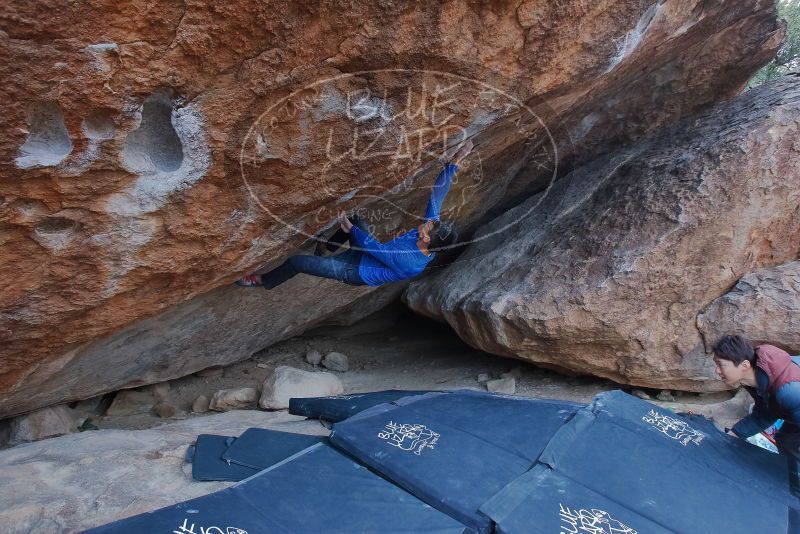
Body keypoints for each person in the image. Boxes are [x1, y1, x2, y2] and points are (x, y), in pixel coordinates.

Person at [236, 140, 473, 289]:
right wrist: (455, 162)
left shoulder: (411, 263)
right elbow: (437, 195)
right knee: (357, 220)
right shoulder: (430, 234)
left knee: (298, 262)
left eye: (429, 228)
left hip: (355, 271)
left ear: (428, 240)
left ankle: (263, 281)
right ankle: (327, 248)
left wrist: (353, 232)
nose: (428, 223)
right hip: (368, 254)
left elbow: (375, 250)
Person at [711, 334, 800, 493]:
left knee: (791, 442)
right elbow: (765, 414)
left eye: (721, 365)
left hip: (796, 401)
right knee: (786, 440)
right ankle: (792, 489)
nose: (717, 371)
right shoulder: (758, 376)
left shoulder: (788, 392)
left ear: (744, 365)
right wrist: (733, 435)